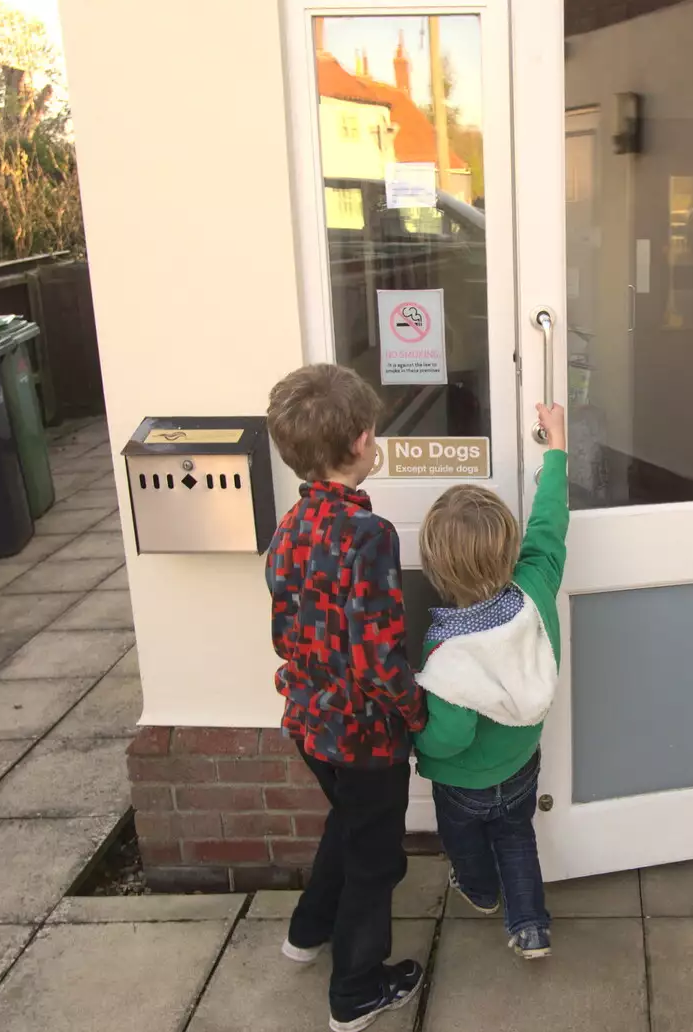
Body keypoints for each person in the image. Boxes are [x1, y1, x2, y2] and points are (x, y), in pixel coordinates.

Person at [264, 364, 427, 1032]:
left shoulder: (289, 527)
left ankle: (307, 931)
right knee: (374, 860)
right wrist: (414, 711)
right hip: (365, 737)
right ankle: (357, 990)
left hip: (308, 723)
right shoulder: (370, 536)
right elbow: (378, 656)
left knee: (349, 824)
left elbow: (284, 631)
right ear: (363, 441)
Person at [413, 402, 569, 959]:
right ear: (508, 547)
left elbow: (449, 735)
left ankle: (479, 893)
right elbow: (550, 526)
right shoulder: (536, 588)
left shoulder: (448, 652)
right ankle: (530, 926)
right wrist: (555, 452)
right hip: (523, 763)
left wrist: (418, 745)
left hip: (463, 784)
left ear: (435, 566)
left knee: (466, 842)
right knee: (516, 835)